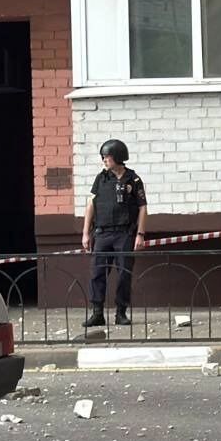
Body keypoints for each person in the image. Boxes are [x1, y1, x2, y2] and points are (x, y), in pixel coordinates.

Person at [81, 139, 148, 327]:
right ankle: (97, 313)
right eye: (103, 157)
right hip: (102, 234)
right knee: (97, 273)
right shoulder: (101, 178)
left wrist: (140, 234)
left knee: (124, 274)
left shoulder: (133, 179)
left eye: (107, 156)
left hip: (124, 234)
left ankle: (121, 313)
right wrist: (86, 233)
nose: (104, 160)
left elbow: (143, 208)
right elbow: (91, 205)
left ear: (117, 157)